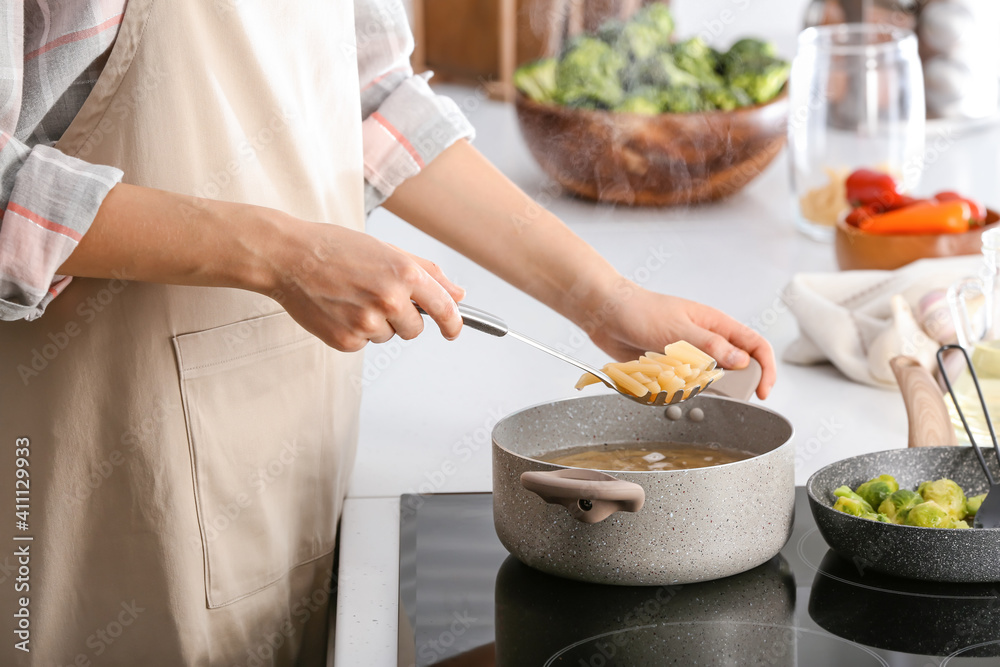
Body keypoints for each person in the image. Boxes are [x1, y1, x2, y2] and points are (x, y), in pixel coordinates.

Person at [0, 1, 775, 665]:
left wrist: (606, 298)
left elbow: (371, 102)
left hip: (282, 436)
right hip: (102, 447)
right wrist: (282, 253)